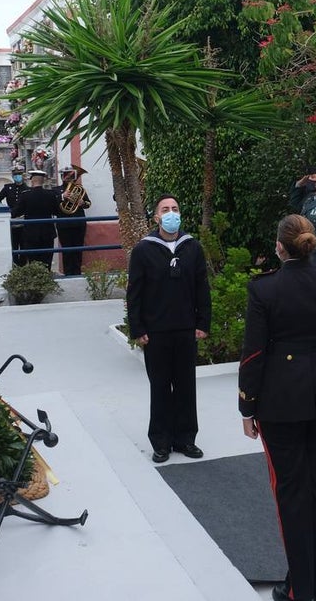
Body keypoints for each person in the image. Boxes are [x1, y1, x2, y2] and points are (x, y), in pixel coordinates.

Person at [239, 214, 316, 601]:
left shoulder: (264, 289)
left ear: (279, 246)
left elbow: (253, 353)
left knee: (291, 492)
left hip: (280, 403)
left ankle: (299, 591)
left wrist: (246, 407)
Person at [128, 195, 211, 463]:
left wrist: (202, 323)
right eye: (166, 209)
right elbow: (135, 292)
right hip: (156, 331)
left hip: (186, 329)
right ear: (156, 217)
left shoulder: (192, 248)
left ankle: (186, 439)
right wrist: (138, 328)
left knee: (186, 386)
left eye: (175, 208)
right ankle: (161, 442)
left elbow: (202, 288)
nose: (171, 213)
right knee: (160, 387)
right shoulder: (143, 250)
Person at [11, 170, 61, 270]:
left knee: (33, 261)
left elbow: (15, 213)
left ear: (32, 181)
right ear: (43, 181)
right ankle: (47, 280)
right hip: (48, 232)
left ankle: (36, 282)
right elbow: (56, 211)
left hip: (31, 233)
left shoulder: (25, 195)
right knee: (47, 261)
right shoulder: (51, 194)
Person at [288, 165, 316, 266]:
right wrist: (299, 185)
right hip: (306, 253)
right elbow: (294, 204)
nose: (309, 180)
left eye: (312, 177)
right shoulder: (309, 198)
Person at [54, 166, 92, 276]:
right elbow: (52, 204)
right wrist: (62, 196)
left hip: (78, 223)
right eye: (66, 175)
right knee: (66, 250)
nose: (68, 178)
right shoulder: (56, 190)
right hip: (63, 224)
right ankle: (68, 273)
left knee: (78, 249)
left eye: (70, 176)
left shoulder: (80, 190)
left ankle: (77, 272)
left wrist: (82, 203)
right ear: (62, 177)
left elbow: (88, 204)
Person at [0, 165, 30, 266]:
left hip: (24, 221)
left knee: (24, 246)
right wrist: (5, 211)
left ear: (23, 175)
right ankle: (14, 265)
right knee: (13, 245)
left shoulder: (27, 189)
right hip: (11, 221)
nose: (17, 176)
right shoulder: (8, 188)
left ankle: (23, 266)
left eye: (19, 174)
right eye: (15, 174)